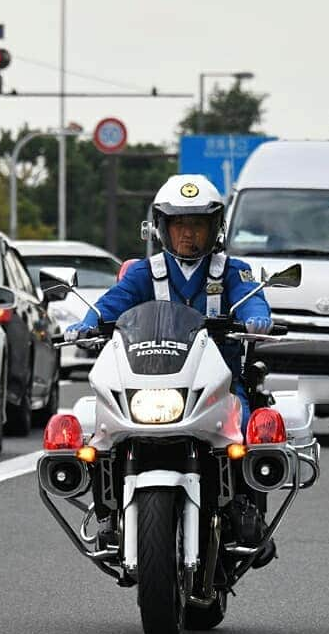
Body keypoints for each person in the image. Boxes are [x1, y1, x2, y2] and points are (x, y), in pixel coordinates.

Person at [63, 173, 277, 566]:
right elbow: (113, 304)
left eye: (197, 225)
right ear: (162, 228)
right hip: (155, 378)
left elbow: (253, 302)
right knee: (101, 433)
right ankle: (107, 513)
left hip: (220, 385)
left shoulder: (233, 271)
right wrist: (86, 322)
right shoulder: (145, 272)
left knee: (247, 424)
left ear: (215, 228)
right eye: (179, 225)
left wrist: (256, 319)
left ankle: (245, 511)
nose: (188, 235)